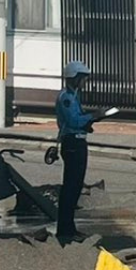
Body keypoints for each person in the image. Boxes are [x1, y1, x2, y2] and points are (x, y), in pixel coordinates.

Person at [54, 60, 102, 244]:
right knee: (71, 188)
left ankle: (69, 228)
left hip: (78, 141)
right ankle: (65, 230)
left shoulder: (74, 95)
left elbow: (78, 120)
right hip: (73, 144)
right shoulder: (66, 97)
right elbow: (73, 121)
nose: (84, 82)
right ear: (74, 78)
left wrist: (89, 123)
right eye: (82, 78)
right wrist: (94, 116)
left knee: (75, 188)